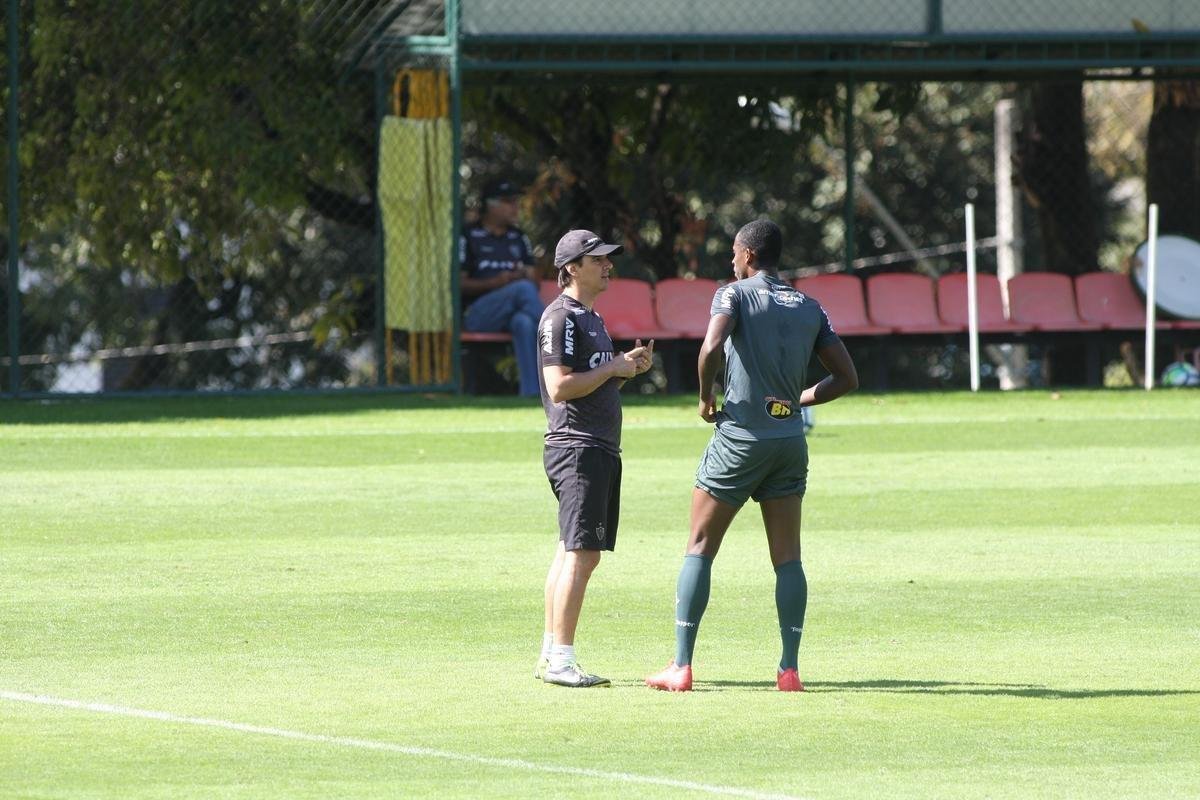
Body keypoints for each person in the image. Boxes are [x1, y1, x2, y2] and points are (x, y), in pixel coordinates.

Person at [645, 219, 858, 693]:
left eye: (734, 254)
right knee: (788, 558)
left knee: (700, 546)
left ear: (748, 255)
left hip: (740, 437)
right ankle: (789, 670)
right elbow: (847, 378)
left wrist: (705, 399)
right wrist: (797, 400)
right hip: (788, 442)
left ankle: (680, 666)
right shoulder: (810, 305)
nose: (732, 262)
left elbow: (710, 348)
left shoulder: (733, 294)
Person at [535, 229, 654, 687]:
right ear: (571, 268)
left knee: (571, 552)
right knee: (582, 555)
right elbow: (559, 386)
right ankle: (562, 661)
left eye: (608, 258)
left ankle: (551, 655)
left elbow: (592, 380)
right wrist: (611, 368)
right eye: (597, 259)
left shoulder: (591, 317)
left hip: (593, 445)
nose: (608, 265)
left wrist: (624, 369)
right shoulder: (561, 318)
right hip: (578, 448)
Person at [460, 178, 545, 397]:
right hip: (477, 315)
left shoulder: (518, 237)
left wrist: (525, 275)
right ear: (490, 204)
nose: (516, 207)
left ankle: (532, 396)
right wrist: (497, 283)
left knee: (524, 322)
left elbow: (535, 282)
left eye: (516, 201)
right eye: (509, 201)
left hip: (514, 313)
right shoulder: (468, 235)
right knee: (523, 289)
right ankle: (559, 335)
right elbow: (459, 284)